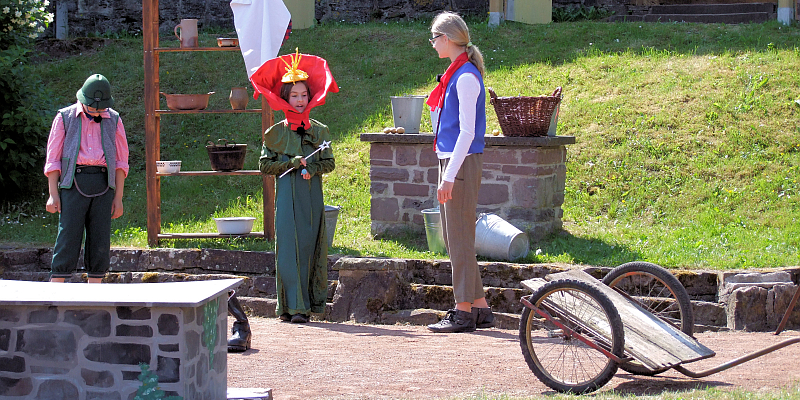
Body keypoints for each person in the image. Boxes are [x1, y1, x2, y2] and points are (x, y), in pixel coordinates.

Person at [250, 49, 338, 323]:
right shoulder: (275, 133)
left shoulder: (320, 131)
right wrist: (291, 162)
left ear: (310, 97)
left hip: (310, 197)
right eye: (294, 96)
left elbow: (329, 163)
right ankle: (289, 307)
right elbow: (264, 166)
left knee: (309, 246)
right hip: (287, 195)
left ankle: (307, 306)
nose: (299, 100)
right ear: (285, 97)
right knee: (288, 248)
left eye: (303, 95)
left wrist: (311, 168)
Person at [425, 12, 494, 333]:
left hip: (461, 162)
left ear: (448, 38)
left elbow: (467, 133)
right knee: (456, 236)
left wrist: (449, 176)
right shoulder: (456, 75)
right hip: (455, 160)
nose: (432, 43)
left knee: (459, 238)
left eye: (434, 37)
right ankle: (479, 307)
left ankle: (462, 310)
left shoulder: (465, 76)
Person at [44, 74, 129, 284]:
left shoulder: (114, 119)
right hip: (73, 184)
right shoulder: (64, 117)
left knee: (100, 239)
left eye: (101, 108)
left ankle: (95, 295)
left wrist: (118, 197)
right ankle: (55, 295)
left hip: (103, 185)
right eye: (94, 107)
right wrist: (53, 195)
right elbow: (53, 160)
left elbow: (121, 162)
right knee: (68, 237)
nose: (98, 112)